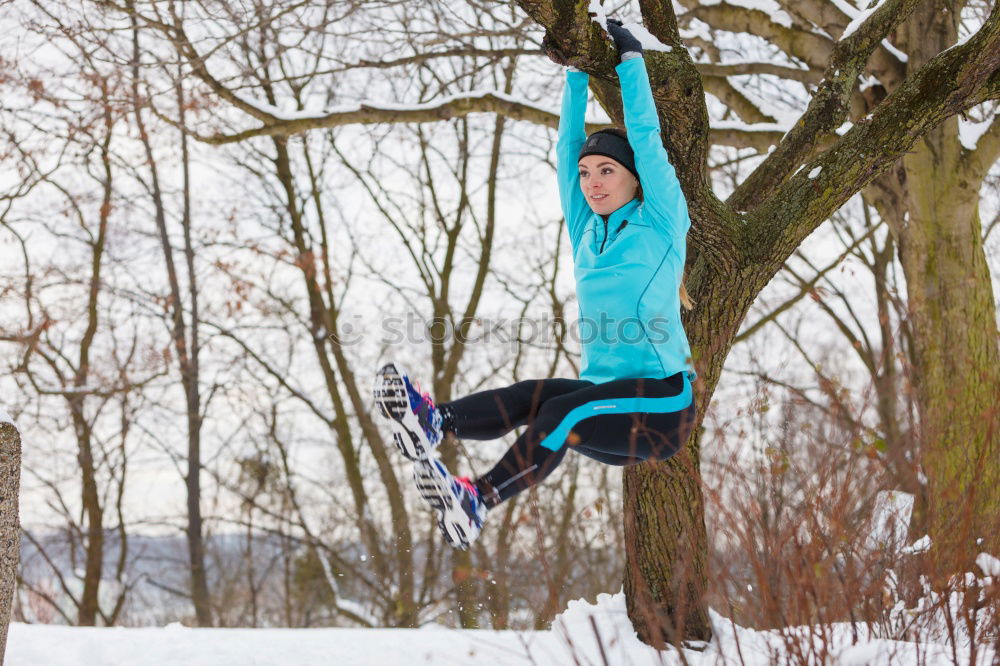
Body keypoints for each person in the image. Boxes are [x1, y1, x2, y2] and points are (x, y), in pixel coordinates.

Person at [373, 20, 697, 550]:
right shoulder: (587, 230)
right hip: (606, 399)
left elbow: (646, 137)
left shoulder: (661, 221)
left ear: (634, 178)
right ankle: (436, 422)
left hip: (664, 406)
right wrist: (572, 75)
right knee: (536, 396)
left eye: (606, 172)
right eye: (587, 172)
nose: (592, 182)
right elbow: (566, 148)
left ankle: (477, 499)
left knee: (563, 410)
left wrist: (631, 64)